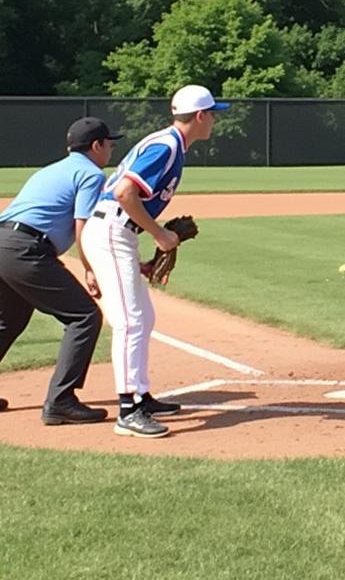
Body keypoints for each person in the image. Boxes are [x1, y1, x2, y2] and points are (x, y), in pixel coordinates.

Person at [80, 84, 228, 438]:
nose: (214, 121)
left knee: (143, 317)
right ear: (200, 116)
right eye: (213, 114)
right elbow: (123, 192)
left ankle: (141, 396)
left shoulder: (172, 144)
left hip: (119, 232)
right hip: (111, 230)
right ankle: (128, 409)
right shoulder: (166, 146)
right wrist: (160, 234)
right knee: (130, 321)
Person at [0, 117, 122, 424]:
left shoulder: (53, 169)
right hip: (26, 248)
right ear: (96, 146)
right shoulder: (91, 174)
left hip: (4, 241)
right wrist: (90, 269)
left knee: (8, 320)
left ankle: (61, 399)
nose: (110, 150)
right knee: (84, 316)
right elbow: (84, 226)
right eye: (109, 144)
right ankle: (61, 401)